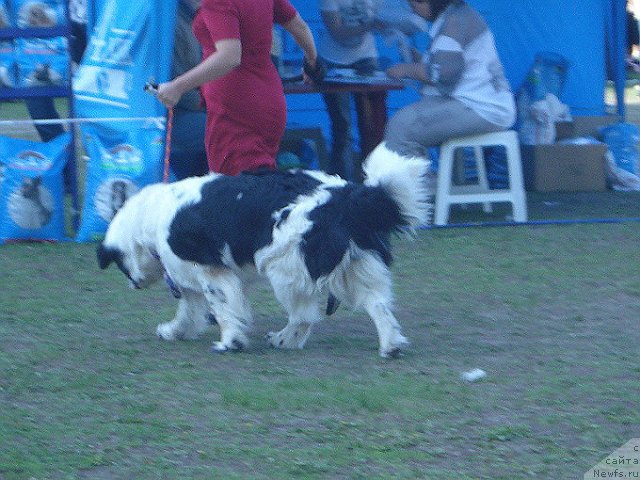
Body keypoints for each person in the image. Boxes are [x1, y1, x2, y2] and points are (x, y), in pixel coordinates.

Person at [156, 0, 322, 176]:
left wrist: (177, 86)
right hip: (267, 98)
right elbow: (300, 27)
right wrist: (312, 63)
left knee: (235, 188)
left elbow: (229, 57)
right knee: (257, 182)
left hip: (236, 106)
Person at [383, 0, 515, 159]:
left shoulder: (454, 22)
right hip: (484, 105)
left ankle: (419, 182)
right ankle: (424, 180)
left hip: (480, 108)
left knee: (400, 127)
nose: (413, 8)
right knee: (409, 120)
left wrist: (406, 69)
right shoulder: (459, 15)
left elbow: (442, 73)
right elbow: (451, 63)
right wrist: (420, 61)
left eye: (417, 2)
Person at [318, 0, 388, 181]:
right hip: (332, 60)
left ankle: (374, 182)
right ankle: (342, 185)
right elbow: (337, 32)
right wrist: (369, 25)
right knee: (342, 126)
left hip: (366, 58)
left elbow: (392, 16)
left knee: (372, 124)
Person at [167, 0, 208, 180]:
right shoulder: (173, 24)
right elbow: (176, 90)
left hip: (199, 106)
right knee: (232, 130)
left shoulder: (202, 16)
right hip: (176, 115)